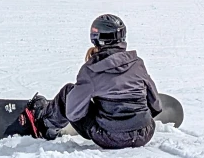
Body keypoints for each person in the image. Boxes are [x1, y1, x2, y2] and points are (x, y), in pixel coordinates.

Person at [11, 14, 162, 150]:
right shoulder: (138, 64)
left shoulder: (91, 70)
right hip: (145, 133)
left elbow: (73, 112)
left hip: (109, 137)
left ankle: (45, 125)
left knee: (69, 92)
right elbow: (156, 105)